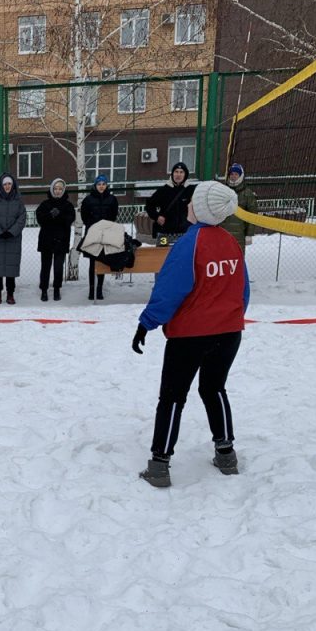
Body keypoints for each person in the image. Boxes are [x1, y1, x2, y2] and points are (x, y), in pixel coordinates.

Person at [132, 181, 248, 488]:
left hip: (190, 336)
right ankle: (226, 453)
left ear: (200, 209)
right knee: (214, 389)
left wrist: (146, 323)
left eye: (191, 202)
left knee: (172, 397)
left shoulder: (188, 244)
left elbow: (169, 291)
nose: (186, 206)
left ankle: (159, 465)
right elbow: (243, 291)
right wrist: (232, 319)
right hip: (229, 332)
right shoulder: (231, 242)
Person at [0, 173, 27, 304]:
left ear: (13, 185)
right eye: (5, 184)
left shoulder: (18, 201)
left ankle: (10, 294)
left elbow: (22, 218)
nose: (7, 186)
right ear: (1, 185)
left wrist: (11, 232)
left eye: (9, 184)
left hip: (12, 238)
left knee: (11, 267)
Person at [35, 178, 76, 301]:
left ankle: (57, 289)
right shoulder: (45, 204)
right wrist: (50, 215)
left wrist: (60, 215)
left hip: (61, 240)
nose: (58, 191)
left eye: (60, 189)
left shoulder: (68, 205)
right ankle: (44, 290)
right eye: (55, 188)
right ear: (52, 189)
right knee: (45, 267)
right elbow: (40, 219)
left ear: (63, 190)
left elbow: (69, 220)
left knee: (58, 267)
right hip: (46, 240)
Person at [80, 174, 119, 301]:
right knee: (93, 262)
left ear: (106, 185)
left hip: (106, 234)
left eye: (103, 184)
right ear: (95, 185)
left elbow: (113, 216)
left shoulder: (112, 199)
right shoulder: (88, 200)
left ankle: (99, 289)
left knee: (102, 260)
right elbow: (85, 216)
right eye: (99, 184)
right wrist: (93, 228)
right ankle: (92, 290)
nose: (101, 186)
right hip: (93, 234)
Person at [144, 161, 195, 242]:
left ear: (185, 175)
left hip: (185, 232)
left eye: (181, 172)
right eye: (176, 172)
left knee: (184, 253)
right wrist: (157, 217)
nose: (178, 175)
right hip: (165, 232)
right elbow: (149, 205)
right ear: (172, 174)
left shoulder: (191, 190)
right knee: (163, 254)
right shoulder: (163, 190)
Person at [220, 163, 258, 254]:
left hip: (239, 234)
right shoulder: (223, 190)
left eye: (236, 174)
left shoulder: (247, 193)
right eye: (231, 174)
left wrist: (249, 234)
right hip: (223, 232)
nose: (233, 176)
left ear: (241, 176)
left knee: (237, 257)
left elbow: (252, 214)